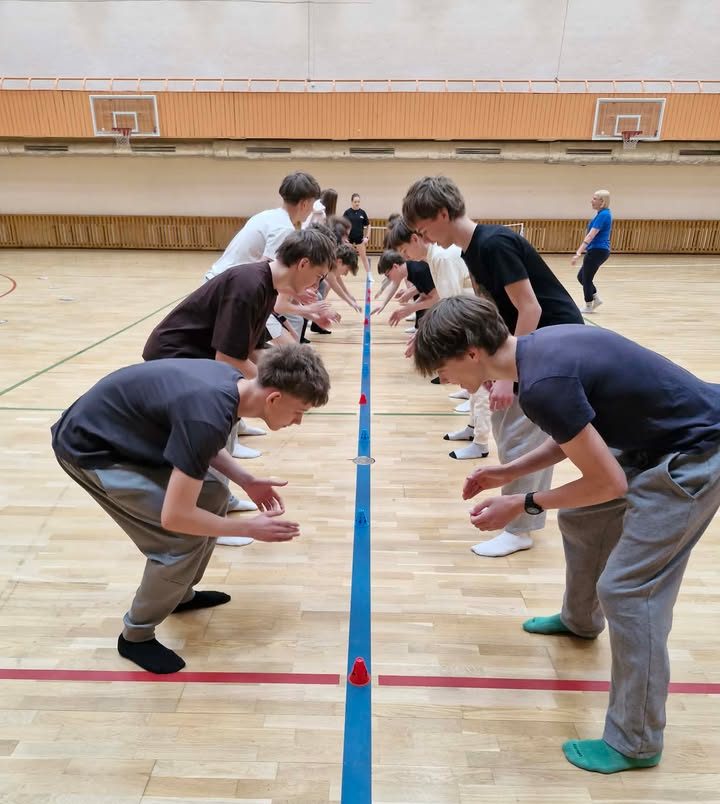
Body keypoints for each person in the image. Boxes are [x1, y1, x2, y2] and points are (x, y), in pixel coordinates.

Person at [412, 294, 720, 774]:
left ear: (472, 353)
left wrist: (524, 502)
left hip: (697, 453)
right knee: (583, 518)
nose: (444, 379)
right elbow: (575, 431)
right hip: (659, 440)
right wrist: (507, 472)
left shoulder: (542, 385)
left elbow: (608, 483)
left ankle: (636, 741)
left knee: (629, 591)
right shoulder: (539, 350)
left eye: (443, 369)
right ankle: (580, 620)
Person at [51, 344, 331, 675]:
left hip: (124, 435)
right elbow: (175, 516)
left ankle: (179, 595)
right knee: (178, 541)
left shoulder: (232, 385)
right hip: (90, 449)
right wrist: (248, 528)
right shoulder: (209, 410)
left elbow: (199, 440)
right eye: (299, 411)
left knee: (213, 493)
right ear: (274, 398)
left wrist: (246, 479)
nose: (298, 421)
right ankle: (136, 636)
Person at [402, 175, 584, 558]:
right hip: (528, 346)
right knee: (512, 431)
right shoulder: (472, 250)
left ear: (442, 213)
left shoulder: (494, 243)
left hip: (548, 346)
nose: (425, 237)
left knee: (519, 434)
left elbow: (530, 307)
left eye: (424, 228)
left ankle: (519, 528)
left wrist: (508, 375)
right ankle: (521, 518)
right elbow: (495, 310)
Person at [143, 226, 336, 541]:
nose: (316, 284)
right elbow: (228, 359)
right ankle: (209, 520)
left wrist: (295, 380)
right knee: (211, 429)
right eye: (317, 276)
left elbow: (255, 350)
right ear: (303, 264)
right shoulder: (249, 285)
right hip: (176, 360)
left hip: (199, 363)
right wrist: (278, 392)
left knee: (227, 421)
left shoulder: (265, 286)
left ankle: (219, 504)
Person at [203, 171, 324, 457]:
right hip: (232, 297)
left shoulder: (269, 216)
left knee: (244, 358)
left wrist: (296, 294)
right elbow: (270, 273)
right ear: (305, 203)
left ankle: (239, 423)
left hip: (231, 291)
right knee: (232, 365)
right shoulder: (282, 229)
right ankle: (228, 440)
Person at [385, 218, 491, 461]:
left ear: (415, 239)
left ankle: (481, 442)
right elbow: (443, 300)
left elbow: (452, 305)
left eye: (404, 250)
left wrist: (424, 336)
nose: (406, 257)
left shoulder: (442, 257)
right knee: (474, 386)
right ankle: (473, 429)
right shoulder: (434, 258)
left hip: (476, 324)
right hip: (469, 321)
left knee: (480, 384)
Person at [572, 189, 613, 314]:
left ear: (602, 201)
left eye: (595, 199)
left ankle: (588, 305)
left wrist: (578, 252)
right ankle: (596, 298)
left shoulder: (604, 215)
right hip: (597, 250)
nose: (592, 201)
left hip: (597, 251)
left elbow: (591, 235)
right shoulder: (602, 214)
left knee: (586, 278)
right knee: (581, 277)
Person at [343, 193, 372, 281]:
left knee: (364, 257)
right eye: (355, 202)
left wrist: (367, 237)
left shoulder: (362, 213)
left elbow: (368, 225)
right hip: (349, 240)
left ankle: (369, 276)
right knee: (346, 258)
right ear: (352, 202)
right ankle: (341, 275)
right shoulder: (347, 213)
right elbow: (342, 225)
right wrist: (344, 237)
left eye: (358, 201)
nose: (357, 203)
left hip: (359, 239)